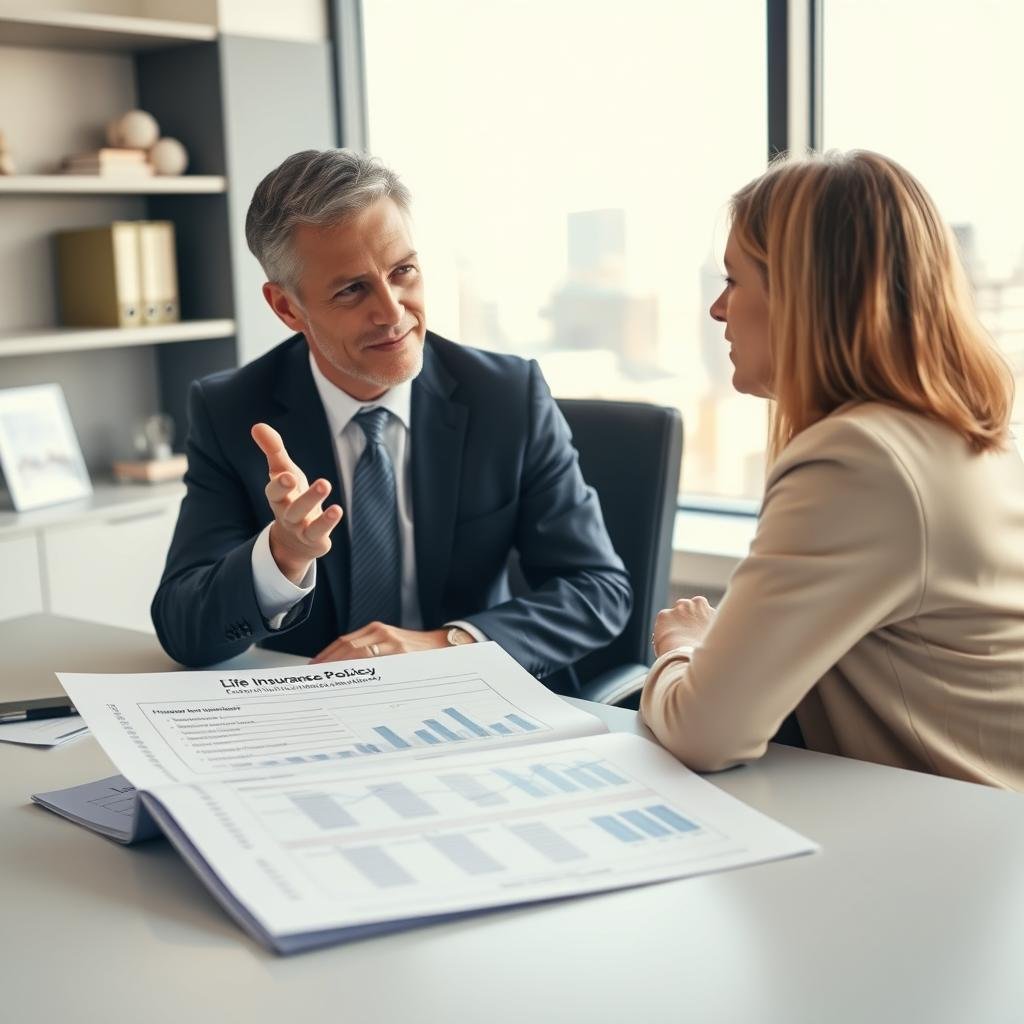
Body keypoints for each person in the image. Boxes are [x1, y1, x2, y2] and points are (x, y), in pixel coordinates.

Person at [151, 149, 631, 689]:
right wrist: (281, 555)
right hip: (310, 712)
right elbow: (183, 628)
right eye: (352, 289)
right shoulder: (232, 410)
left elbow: (597, 589)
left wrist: (443, 646)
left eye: (402, 271)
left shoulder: (505, 396)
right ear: (287, 308)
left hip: (474, 704)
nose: (394, 311)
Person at [641, 150, 1024, 789]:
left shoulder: (860, 461)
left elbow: (705, 731)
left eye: (734, 281)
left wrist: (684, 646)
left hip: (953, 842)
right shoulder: (956, 438)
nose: (717, 309)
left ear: (803, 296)